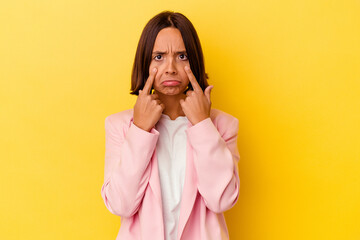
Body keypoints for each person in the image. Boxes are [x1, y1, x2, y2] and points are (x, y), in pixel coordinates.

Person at [101, 10, 240, 240]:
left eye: (182, 56)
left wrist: (203, 125)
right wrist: (140, 130)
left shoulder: (222, 125)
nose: (171, 68)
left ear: (193, 60)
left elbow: (222, 199)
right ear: (145, 62)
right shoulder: (120, 126)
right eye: (159, 57)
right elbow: (120, 205)